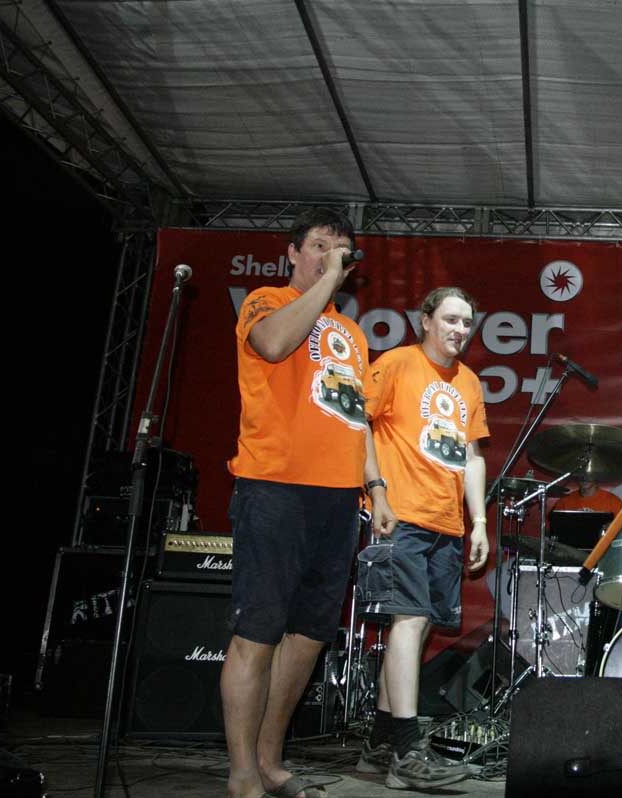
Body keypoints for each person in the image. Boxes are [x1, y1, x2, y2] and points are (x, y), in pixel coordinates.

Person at [222, 207, 394, 798]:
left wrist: (376, 487)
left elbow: (356, 417)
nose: (330, 255)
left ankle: (270, 762)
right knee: (258, 632)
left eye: (339, 248)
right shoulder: (265, 302)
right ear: (293, 254)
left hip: (338, 498)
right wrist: (326, 283)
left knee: (309, 635)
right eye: (319, 245)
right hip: (275, 487)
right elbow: (273, 345)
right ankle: (241, 775)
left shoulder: (352, 335)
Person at [357, 287, 490, 790]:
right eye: (451, 319)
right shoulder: (397, 363)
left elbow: (472, 457)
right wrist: (377, 491)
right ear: (426, 320)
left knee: (414, 630)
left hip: (446, 524)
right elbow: (358, 424)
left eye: (467, 322)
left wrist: (479, 521)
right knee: (409, 622)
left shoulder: (469, 381)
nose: (460, 330)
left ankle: (378, 745)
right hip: (401, 515)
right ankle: (407, 753)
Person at [552, 474, 622, 514]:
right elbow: (553, 527)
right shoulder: (564, 501)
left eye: (590, 474)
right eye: (581, 473)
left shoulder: (613, 501)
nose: (585, 477)